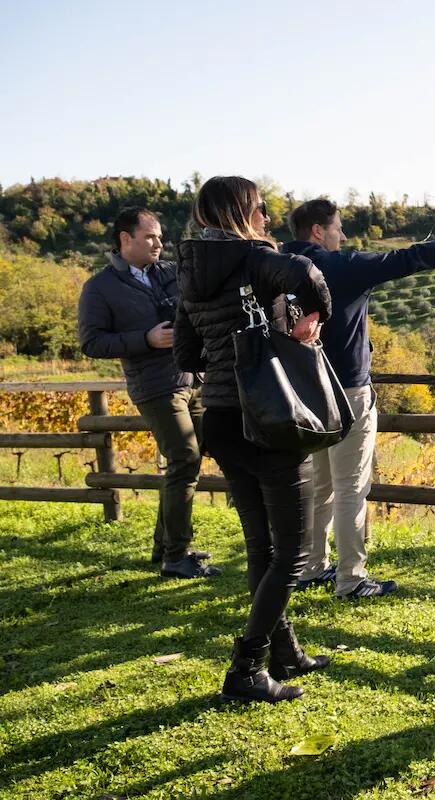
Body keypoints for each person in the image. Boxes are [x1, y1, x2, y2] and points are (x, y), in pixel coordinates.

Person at [282, 199, 435, 599]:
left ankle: (311, 567)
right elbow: (409, 258)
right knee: (351, 484)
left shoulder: (277, 267)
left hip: (301, 390)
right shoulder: (341, 267)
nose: (344, 235)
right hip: (346, 391)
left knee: (319, 483)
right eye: (338, 227)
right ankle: (351, 579)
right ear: (318, 231)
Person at [174, 176, 332, 703]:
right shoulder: (255, 258)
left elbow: (186, 355)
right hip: (267, 418)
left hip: (219, 417)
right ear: (244, 211)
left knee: (259, 544)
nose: (267, 218)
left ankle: (284, 649)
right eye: (261, 208)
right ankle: (246, 668)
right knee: (291, 552)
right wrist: (308, 323)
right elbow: (311, 274)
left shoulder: (191, 270)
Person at [78, 207, 217, 579]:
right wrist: (146, 339)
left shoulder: (174, 272)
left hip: (194, 380)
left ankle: (166, 546)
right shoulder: (99, 287)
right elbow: (91, 342)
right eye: (150, 237)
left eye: (159, 236)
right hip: (154, 386)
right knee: (185, 458)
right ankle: (176, 556)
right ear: (126, 239)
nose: (159, 243)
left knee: (189, 460)